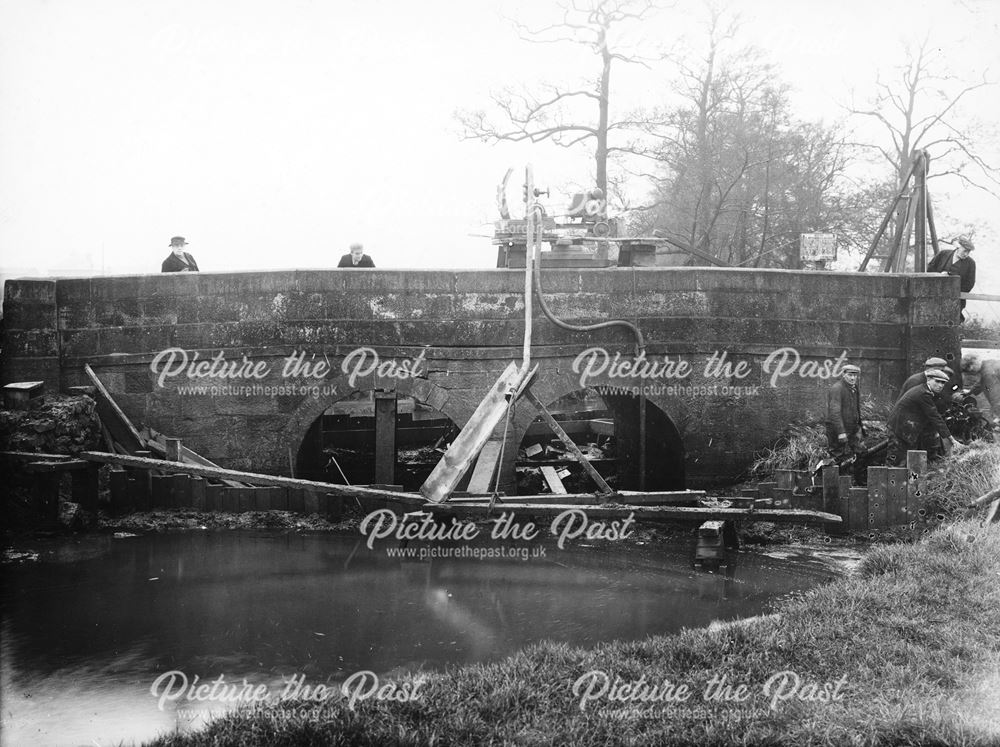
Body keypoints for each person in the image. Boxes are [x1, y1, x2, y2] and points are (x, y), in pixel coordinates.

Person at [886, 368, 957, 466]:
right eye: (937, 381)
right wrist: (952, 440)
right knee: (897, 461)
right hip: (900, 429)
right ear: (928, 379)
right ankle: (887, 480)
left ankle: (909, 480)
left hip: (907, 428)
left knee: (909, 461)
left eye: (943, 383)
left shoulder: (925, 390)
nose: (940, 385)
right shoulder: (923, 394)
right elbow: (935, 417)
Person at [927, 237, 976, 321]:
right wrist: (939, 276)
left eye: (968, 252)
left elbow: (969, 283)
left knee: (950, 322)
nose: (966, 254)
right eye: (965, 251)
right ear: (958, 247)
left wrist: (954, 290)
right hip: (935, 295)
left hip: (955, 299)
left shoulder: (970, 263)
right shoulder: (943, 254)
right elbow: (930, 270)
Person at [825, 364, 863, 461]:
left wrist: (859, 427)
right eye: (850, 375)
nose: (853, 378)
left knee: (854, 456)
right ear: (843, 374)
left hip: (851, 429)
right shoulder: (837, 388)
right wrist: (841, 432)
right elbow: (834, 412)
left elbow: (856, 409)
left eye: (855, 375)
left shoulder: (854, 388)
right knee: (838, 456)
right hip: (837, 430)